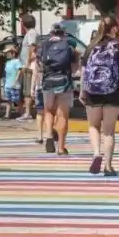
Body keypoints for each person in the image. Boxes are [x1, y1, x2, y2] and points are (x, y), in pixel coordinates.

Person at [81, 16, 119, 176]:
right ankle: (108, 166)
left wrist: (83, 91)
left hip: (92, 93)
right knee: (109, 131)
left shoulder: (91, 47)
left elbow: (83, 72)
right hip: (112, 93)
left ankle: (96, 153)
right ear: (114, 28)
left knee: (93, 126)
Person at [38, 23, 79, 156]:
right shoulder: (68, 46)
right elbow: (74, 69)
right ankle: (61, 148)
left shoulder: (43, 45)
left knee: (49, 110)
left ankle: (49, 135)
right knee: (62, 115)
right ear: (63, 34)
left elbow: (39, 65)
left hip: (48, 81)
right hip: (64, 82)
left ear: (51, 33)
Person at [17, 14, 38, 124]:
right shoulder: (30, 33)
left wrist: (27, 62)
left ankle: (28, 113)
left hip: (29, 66)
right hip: (27, 65)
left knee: (28, 90)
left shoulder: (31, 33)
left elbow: (32, 47)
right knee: (26, 89)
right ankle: (28, 112)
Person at [1, 47, 21, 119]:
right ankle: (7, 115)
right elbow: (6, 73)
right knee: (8, 100)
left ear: (13, 53)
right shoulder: (7, 62)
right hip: (8, 83)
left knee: (16, 100)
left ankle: (22, 113)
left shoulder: (17, 61)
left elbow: (19, 70)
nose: (6, 54)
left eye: (8, 53)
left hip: (14, 84)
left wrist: (16, 80)